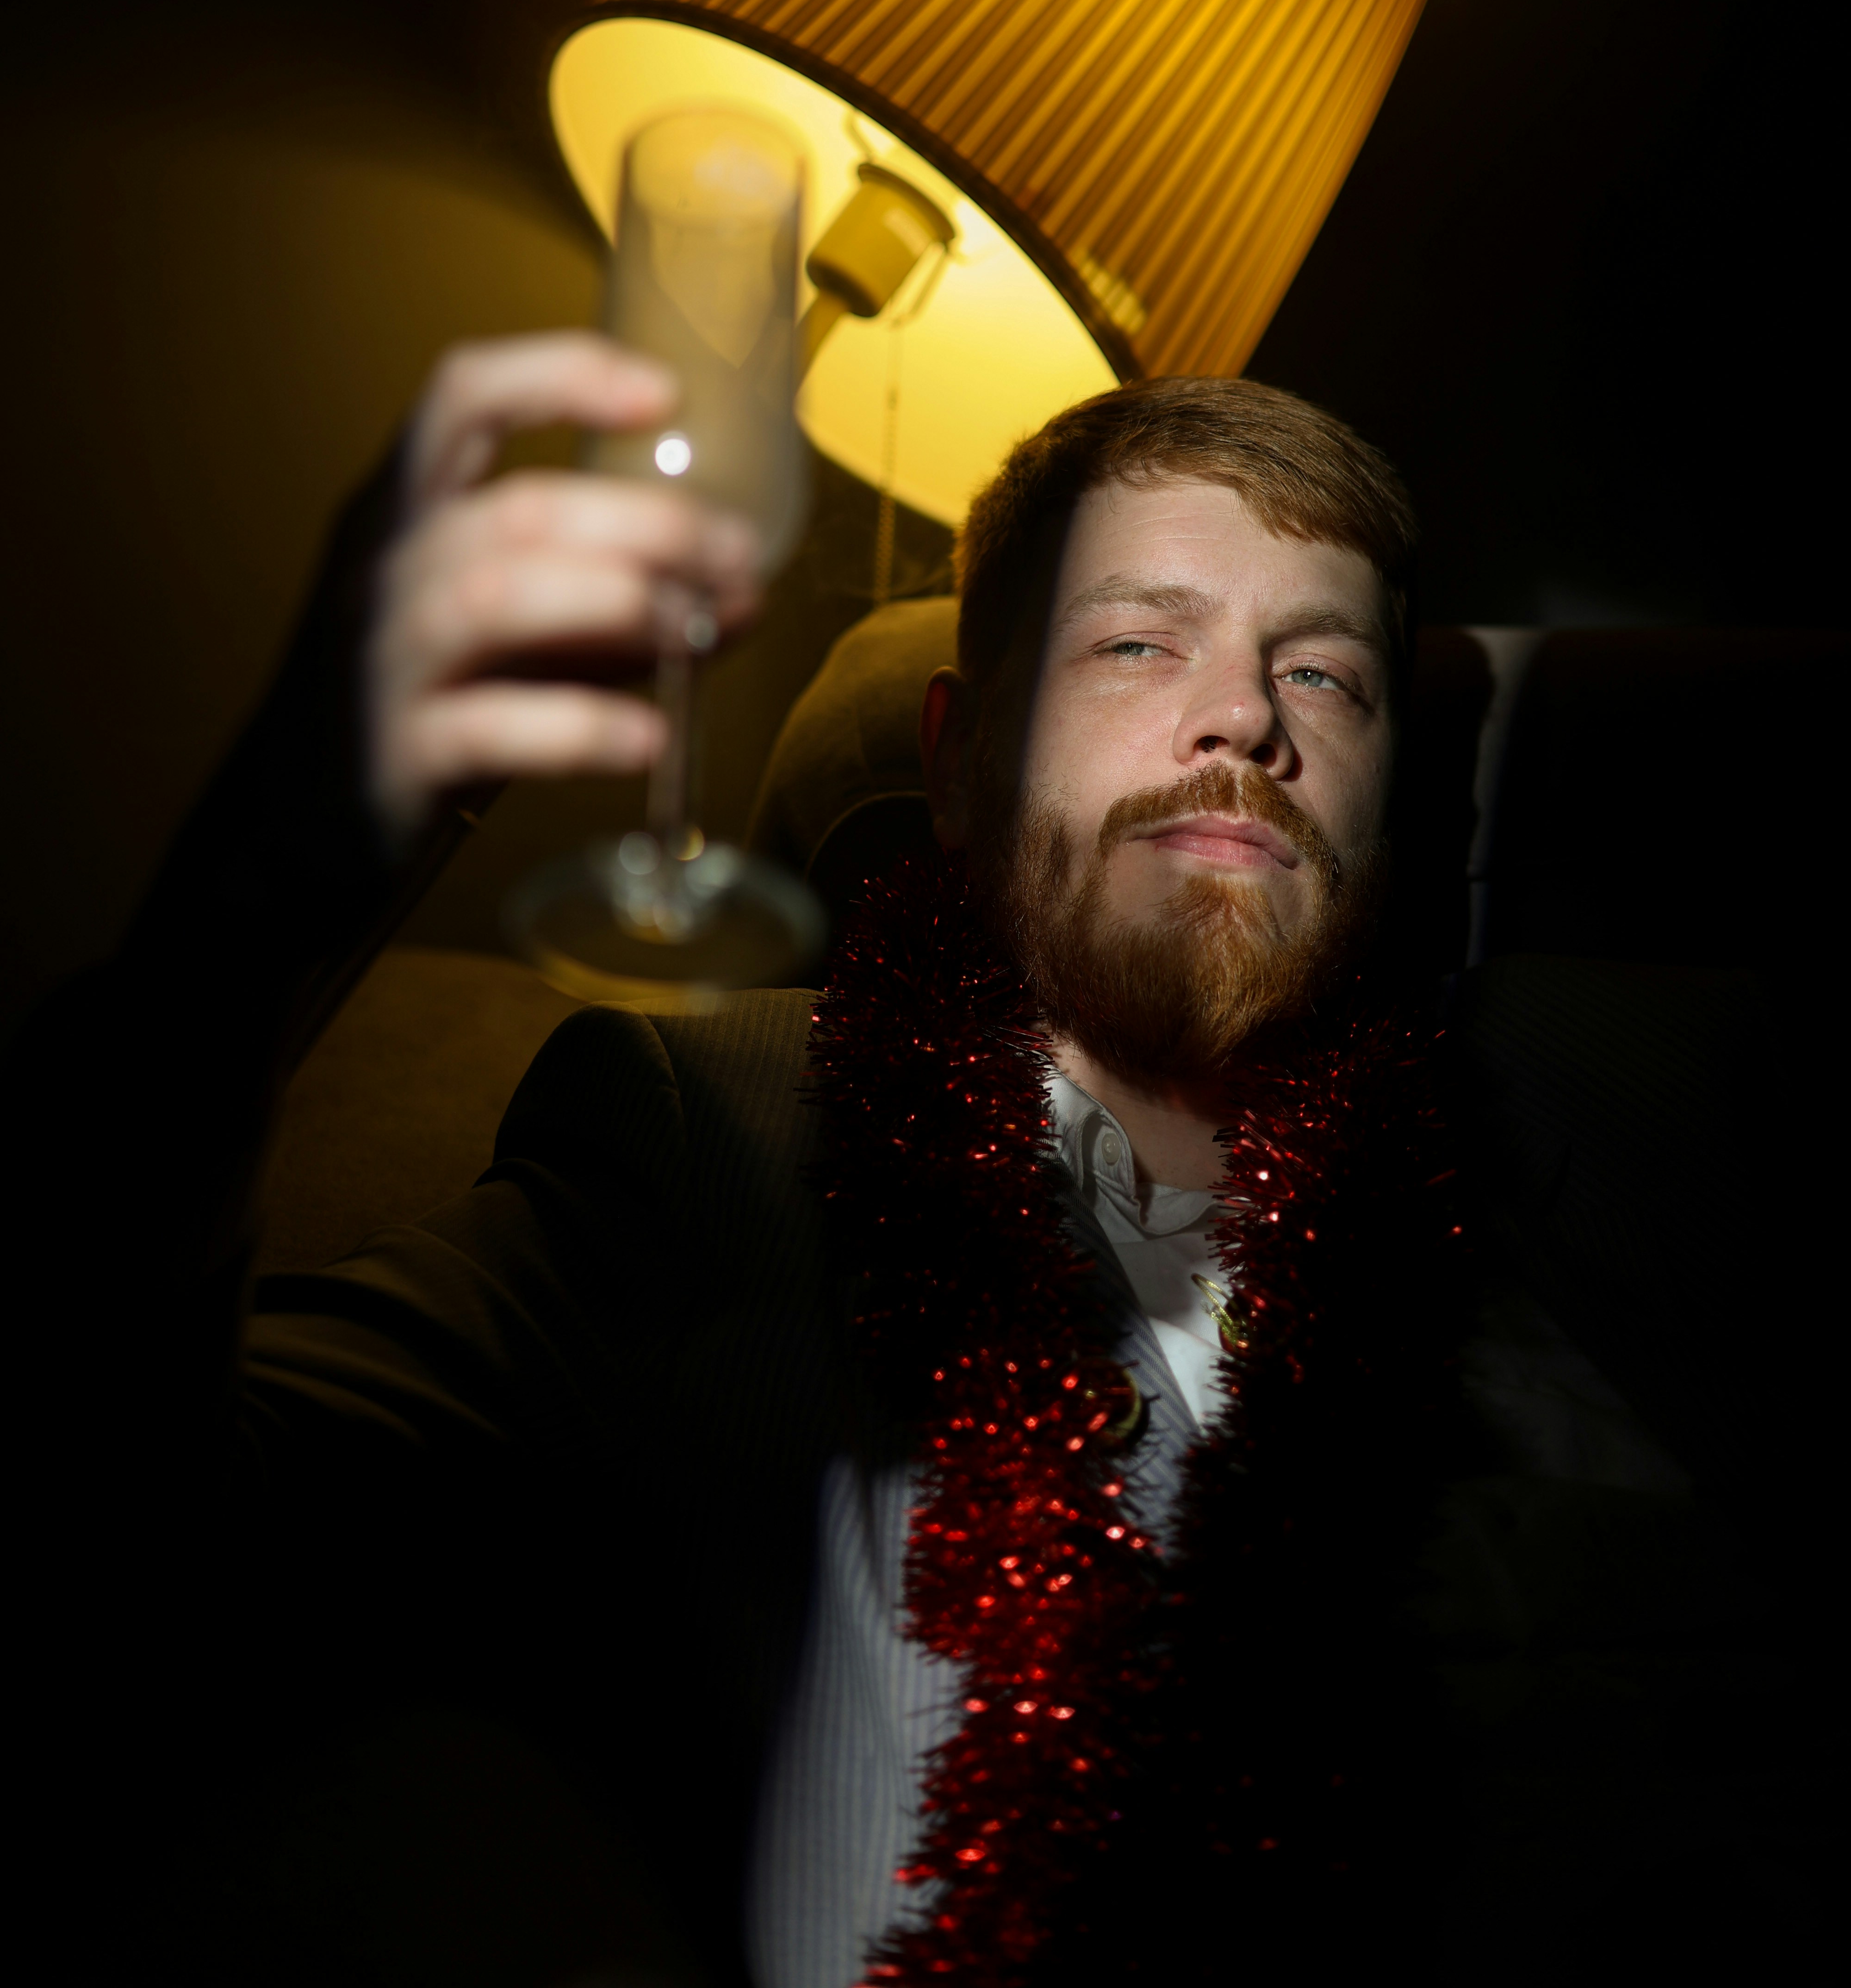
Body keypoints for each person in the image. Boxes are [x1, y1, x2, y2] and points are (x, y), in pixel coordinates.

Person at [17, 334, 1822, 1987]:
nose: (1245, 720)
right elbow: (118, 1561)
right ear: (958, 769)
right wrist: (249, 913)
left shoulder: (1652, 1083)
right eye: (1138, 641)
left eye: (1324, 673)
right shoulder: (702, 1136)